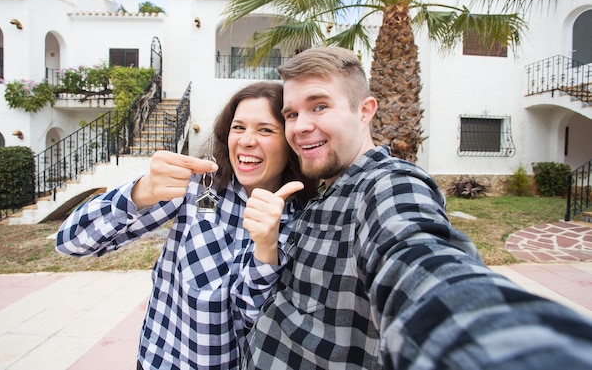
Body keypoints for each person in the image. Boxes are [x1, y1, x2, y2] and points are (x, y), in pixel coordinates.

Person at [242, 47, 592, 370]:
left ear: (365, 111)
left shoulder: (387, 185)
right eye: (292, 113)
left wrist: (509, 346)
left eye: (319, 106)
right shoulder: (322, 190)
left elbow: (420, 262)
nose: (301, 126)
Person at [56, 81, 319, 370]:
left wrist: (266, 247)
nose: (246, 140)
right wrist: (141, 191)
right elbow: (72, 241)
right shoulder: (197, 186)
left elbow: (255, 318)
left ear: (290, 142)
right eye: (238, 127)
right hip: (163, 361)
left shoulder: (301, 218)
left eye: (265, 130)